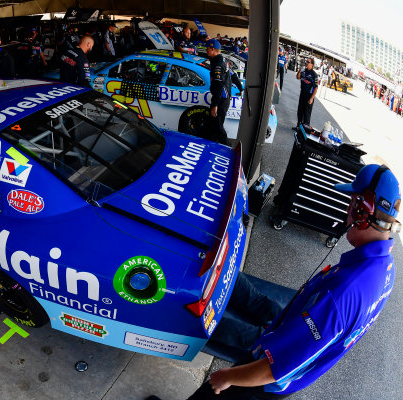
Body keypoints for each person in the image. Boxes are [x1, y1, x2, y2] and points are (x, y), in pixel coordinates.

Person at [146, 164, 400, 400]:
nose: (347, 211)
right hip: (293, 328)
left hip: (268, 378)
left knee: (215, 387)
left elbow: (277, 367)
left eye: (352, 204)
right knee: (257, 305)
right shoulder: (385, 268)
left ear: (362, 211)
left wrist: (227, 377)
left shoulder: (343, 294)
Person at [206, 39, 242, 145]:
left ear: (213, 49)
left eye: (208, 49)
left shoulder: (218, 63)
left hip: (221, 99)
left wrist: (215, 104)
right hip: (223, 98)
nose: (206, 51)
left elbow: (218, 85)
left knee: (218, 126)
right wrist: (241, 88)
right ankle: (210, 145)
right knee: (213, 124)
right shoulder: (222, 60)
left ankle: (227, 146)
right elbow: (233, 74)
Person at [295, 57, 318, 128]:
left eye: (308, 62)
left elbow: (316, 88)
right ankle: (298, 126)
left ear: (312, 65)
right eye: (306, 61)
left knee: (306, 113)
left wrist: (312, 98)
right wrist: (299, 71)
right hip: (302, 93)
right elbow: (298, 77)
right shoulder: (303, 71)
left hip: (309, 95)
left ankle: (305, 129)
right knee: (300, 111)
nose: (306, 63)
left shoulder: (314, 75)